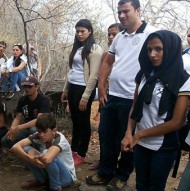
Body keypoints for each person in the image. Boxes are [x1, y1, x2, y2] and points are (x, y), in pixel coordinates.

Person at [86, 0, 156, 189]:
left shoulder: (151, 34)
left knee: (127, 139)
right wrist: (101, 85)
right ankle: (105, 172)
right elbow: (108, 61)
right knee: (106, 135)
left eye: (126, 11)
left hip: (132, 99)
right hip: (112, 96)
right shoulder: (119, 37)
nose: (122, 15)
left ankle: (122, 175)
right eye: (119, 12)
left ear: (138, 10)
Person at [120, 30, 189, 191]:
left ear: (171, 50)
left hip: (163, 146)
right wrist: (129, 132)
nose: (152, 54)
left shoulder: (183, 80)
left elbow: (177, 122)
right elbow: (135, 106)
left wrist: (139, 134)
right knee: (140, 184)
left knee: (155, 187)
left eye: (158, 49)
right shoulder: (144, 74)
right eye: (149, 49)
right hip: (140, 142)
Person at [61, 19, 102, 166]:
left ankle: (82, 153)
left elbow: (94, 75)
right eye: (77, 31)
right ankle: (74, 150)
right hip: (73, 87)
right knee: (76, 121)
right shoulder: (77, 48)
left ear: (89, 31)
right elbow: (71, 70)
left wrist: (85, 96)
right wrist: (65, 89)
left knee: (83, 122)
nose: (79, 34)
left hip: (84, 89)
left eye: (82, 31)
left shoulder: (95, 49)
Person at [89, 23, 124, 171]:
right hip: (107, 97)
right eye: (109, 34)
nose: (110, 37)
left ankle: (120, 164)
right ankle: (104, 161)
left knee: (121, 133)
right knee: (104, 132)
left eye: (114, 34)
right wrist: (102, 90)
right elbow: (99, 77)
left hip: (124, 98)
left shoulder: (128, 53)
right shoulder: (106, 55)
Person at [11, 113, 76, 191]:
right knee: (25, 149)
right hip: (49, 172)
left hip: (66, 177)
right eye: (39, 131)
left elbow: (47, 159)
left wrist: (33, 158)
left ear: (54, 131)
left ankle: (55, 187)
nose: (41, 134)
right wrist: (30, 158)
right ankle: (41, 180)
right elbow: (15, 147)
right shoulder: (38, 135)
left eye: (45, 131)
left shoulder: (60, 139)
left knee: (46, 153)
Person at [1, 76, 51, 149]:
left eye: (29, 86)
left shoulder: (44, 100)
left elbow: (39, 120)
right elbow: (17, 118)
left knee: (33, 130)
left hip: (41, 128)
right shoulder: (22, 100)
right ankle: (25, 150)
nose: (27, 89)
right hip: (26, 128)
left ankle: (39, 151)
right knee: (5, 140)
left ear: (36, 86)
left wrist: (20, 127)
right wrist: (12, 129)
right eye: (25, 86)